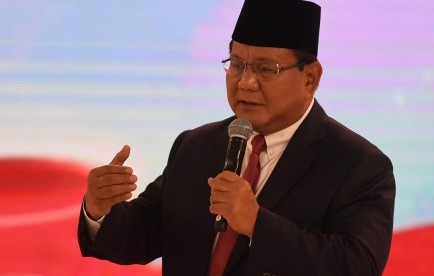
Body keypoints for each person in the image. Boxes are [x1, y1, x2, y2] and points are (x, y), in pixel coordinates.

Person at [78, 0, 396, 275]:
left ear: (310, 78)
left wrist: (257, 223)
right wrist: (99, 210)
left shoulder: (358, 166)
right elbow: (144, 234)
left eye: (265, 69)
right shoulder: (196, 146)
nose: (245, 83)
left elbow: (358, 266)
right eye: (237, 65)